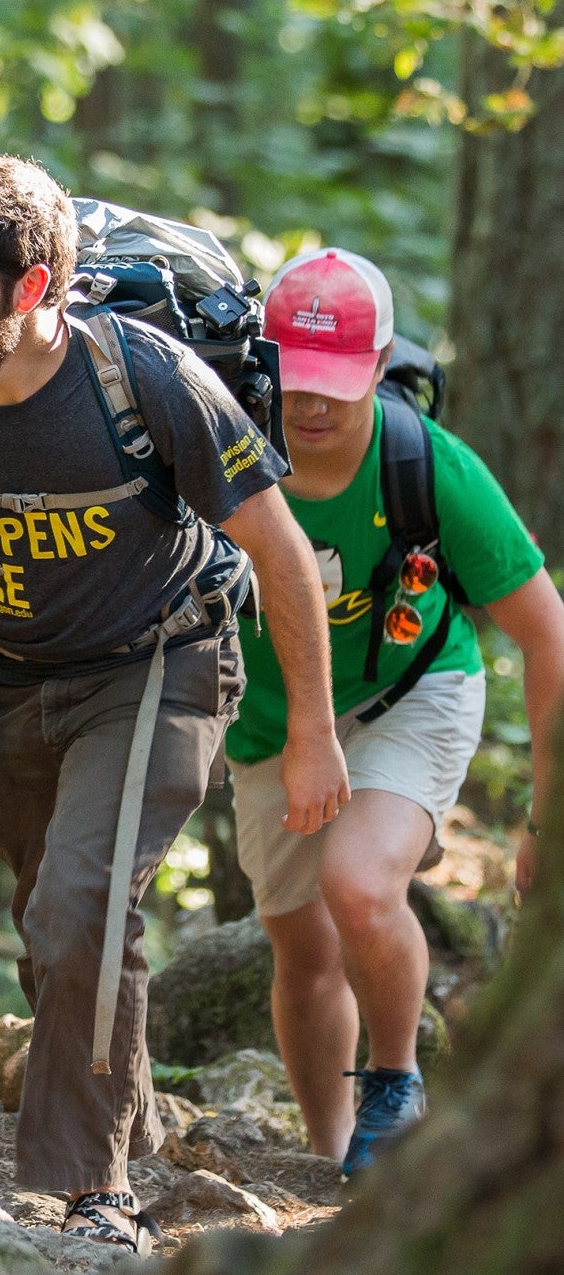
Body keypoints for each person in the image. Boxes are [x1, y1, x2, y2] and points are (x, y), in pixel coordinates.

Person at [0, 153, 347, 1253]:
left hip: (156, 666)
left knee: (83, 910)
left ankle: (91, 1195)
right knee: (52, 922)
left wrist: (312, 733)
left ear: (30, 289)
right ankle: (135, 1119)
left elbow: (282, 551)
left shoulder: (147, 381)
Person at [226, 247, 564, 1177]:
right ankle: (336, 1159)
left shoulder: (429, 468)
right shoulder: (222, 444)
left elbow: (547, 634)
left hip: (411, 692)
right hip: (270, 720)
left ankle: (394, 1079)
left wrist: (547, 817)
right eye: (295, 377)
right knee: (301, 951)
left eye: (341, 380)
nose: (314, 403)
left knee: (361, 886)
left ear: (379, 367)